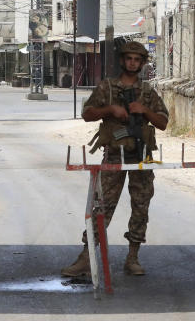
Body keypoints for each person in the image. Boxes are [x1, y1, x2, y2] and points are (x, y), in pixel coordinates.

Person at [60, 41, 169, 278]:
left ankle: (133, 257)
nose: (132, 63)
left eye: (136, 60)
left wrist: (144, 110)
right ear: (122, 61)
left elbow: (163, 121)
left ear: (142, 63)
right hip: (114, 155)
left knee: (141, 206)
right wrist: (110, 110)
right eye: (128, 58)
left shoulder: (148, 92)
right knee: (102, 206)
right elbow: (87, 114)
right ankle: (86, 257)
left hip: (141, 157)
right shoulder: (107, 88)